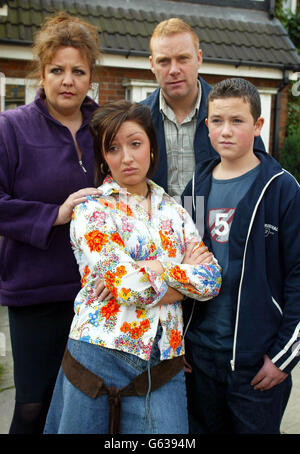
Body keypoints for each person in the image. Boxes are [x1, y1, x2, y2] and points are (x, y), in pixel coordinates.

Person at [43, 100, 222, 434]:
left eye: (135, 144)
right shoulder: (92, 210)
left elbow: (211, 280)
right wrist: (180, 279)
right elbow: (126, 285)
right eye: (113, 148)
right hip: (98, 354)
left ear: (152, 148)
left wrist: (154, 267)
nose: (126, 157)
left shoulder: (176, 211)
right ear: (103, 156)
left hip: (164, 361)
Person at [0, 12, 101, 434]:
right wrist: (53, 214)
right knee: (32, 406)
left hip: (96, 296)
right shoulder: (12, 128)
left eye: (78, 71)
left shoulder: (106, 128)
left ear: (91, 77)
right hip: (35, 292)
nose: (67, 80)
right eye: (57, 70)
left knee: (82, 407)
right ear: (41, 74)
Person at [182, 77, 300, 434]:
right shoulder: (197, 187)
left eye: (237, 121)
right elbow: (184, 265)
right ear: (206, 126)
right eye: (217, 121)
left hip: (256, 361)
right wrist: (178, 339)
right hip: (200, 355)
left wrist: (283, 358)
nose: (226, 131)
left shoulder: (282, 189)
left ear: (258, 125)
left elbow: (298, 277)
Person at [141, 18, 265, 199]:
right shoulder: (138, 119)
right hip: (156, 222)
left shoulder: (230, 113)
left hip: (217, 221)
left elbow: (260, 174)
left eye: (183, 59)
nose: (174, 69)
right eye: (164, 61)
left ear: (199, 58)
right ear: (152, 64)